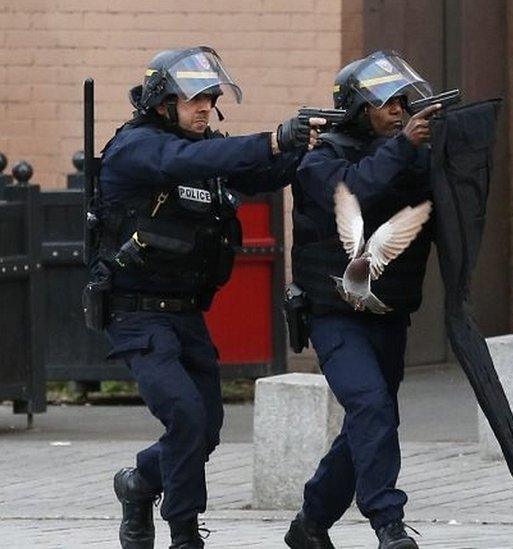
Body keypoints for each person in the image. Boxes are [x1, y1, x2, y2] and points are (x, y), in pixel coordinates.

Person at [93, 46, 320, 549]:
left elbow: (261, 173)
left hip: (186, 314)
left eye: (211, 99)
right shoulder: (137, 148)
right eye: (194, 99)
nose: (205, 108)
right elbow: (186, 160)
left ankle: (139, 484)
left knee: (206, 429)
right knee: (186, 416)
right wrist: (269, 139)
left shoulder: (204, 149)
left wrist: (309, 144)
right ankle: (184, 534)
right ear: (161, 103)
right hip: (135, 314)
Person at [284, 50, 441, 549]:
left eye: (403, 101)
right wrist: (405, 149)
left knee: (372, 420)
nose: (399, 111)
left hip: (387, 313)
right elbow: (355, 191)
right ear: (356, 108)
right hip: (335, 315)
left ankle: (310, 525)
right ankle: (388, 525)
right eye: (386, 103)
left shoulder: (404, 152)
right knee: (371, 407)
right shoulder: (319, 158)